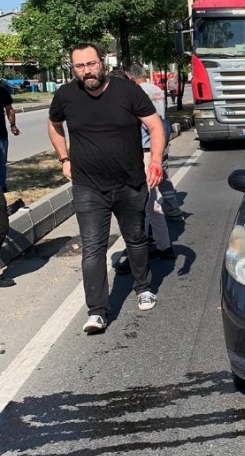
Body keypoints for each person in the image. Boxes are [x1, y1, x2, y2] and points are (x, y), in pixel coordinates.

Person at [47, 44, 166, 334]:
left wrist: (156, 161)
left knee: (136, 238)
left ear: (102, 62)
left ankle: (143, 287)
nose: (87, 70)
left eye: (91, 64)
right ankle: (97, 311)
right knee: (92, 248)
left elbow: (155, 127)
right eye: (79, 66)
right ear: (73, 69)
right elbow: (54, 124)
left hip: (129, 182)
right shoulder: (65, 96)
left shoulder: (127, 92)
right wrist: (64, 158)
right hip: (88, 186)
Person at [123, 62, 176, 264]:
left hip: (145, 149)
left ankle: (140, 249)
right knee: (153, 198)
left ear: (130, 78)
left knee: (146, 203)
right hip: (158, 144)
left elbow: (145, 123)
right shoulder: (157, 90)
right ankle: (160, 244)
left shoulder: (136, 93)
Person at [0, 81, 21, 192]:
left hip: (1, 134)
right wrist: (13, 125)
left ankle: (2, 187)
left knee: (2, 163)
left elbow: (9, 109)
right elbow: (9, 109)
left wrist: (13, 125)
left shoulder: (2, 91)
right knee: (1, 163)